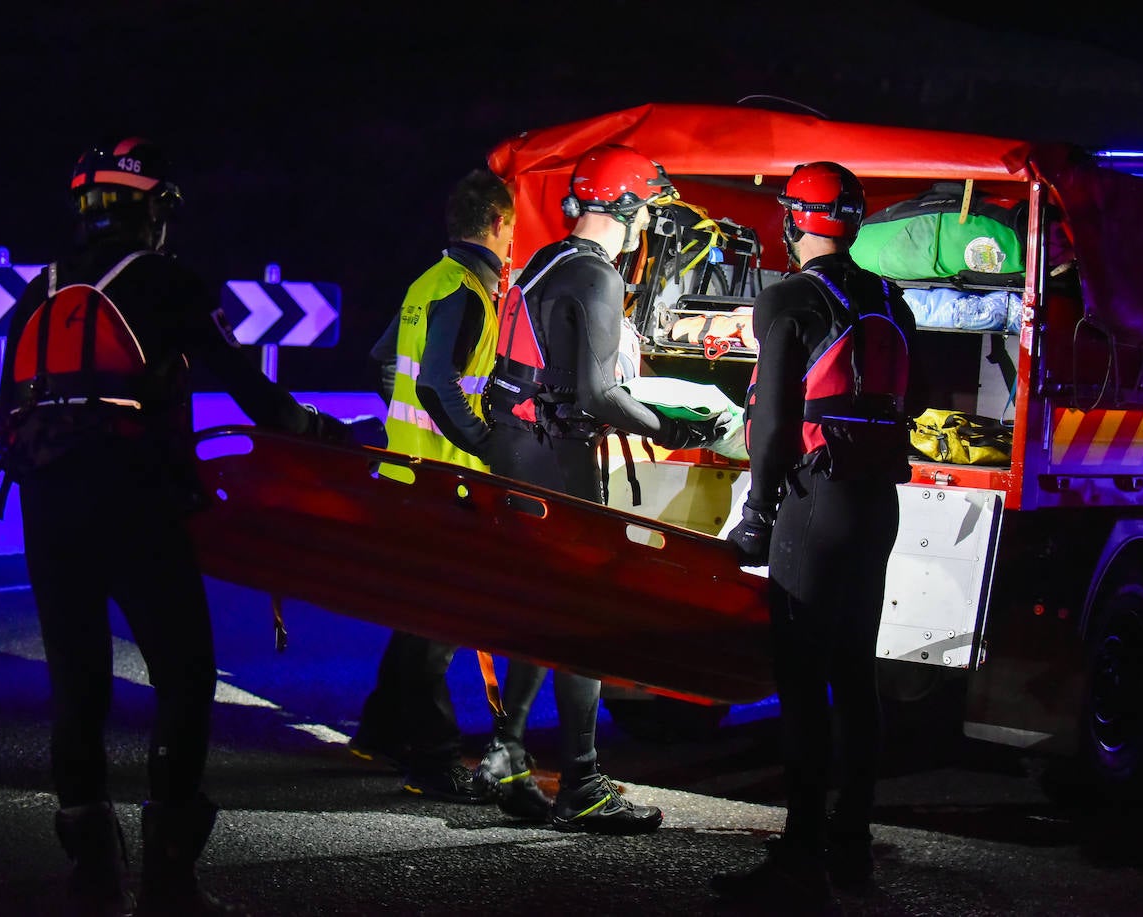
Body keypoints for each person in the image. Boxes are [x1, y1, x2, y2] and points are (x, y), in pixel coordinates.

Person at [0, 136, 353, 917]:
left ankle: (90, 877)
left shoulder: (39, 288)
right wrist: (319, 429)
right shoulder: (167, 282)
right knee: (185, 677)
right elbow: (249, 387)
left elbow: (5, 416)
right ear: (151, 208)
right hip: (136, 505)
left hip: (47, 510)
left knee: (76, 688)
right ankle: (169, 880)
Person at [483, 144, 734, 834]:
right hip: (555, 455)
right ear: (624, 207)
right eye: (646, 209)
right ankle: (584, 783)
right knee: (586, 616)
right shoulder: (596, 276)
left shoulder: (545, 259)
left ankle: (505, 753)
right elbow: (598, 393)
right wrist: (681, 426)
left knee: (545, 608)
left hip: (516, 446)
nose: (648, 223)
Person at [711, 161, 924, 906]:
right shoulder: (893, 299)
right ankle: (852, 844)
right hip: (875, 505)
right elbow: (913, 396)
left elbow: (771, 421)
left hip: (815, 500)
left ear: (793, 221)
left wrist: (758, 511)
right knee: (855, 676)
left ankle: (800, 851)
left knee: (802, 683)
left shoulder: (788, 297)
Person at [347, 169, 546, 811]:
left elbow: (387, 365)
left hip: (409, 474)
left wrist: (412, 424)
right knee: (442, 619)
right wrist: (484, 443)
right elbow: (435, 383)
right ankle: (432, 761)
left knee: (417, 612)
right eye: (512, 223)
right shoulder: (465, 291)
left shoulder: (425, 283)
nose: (514, 235)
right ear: (497, 223)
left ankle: (379, 732)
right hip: (443, 484)